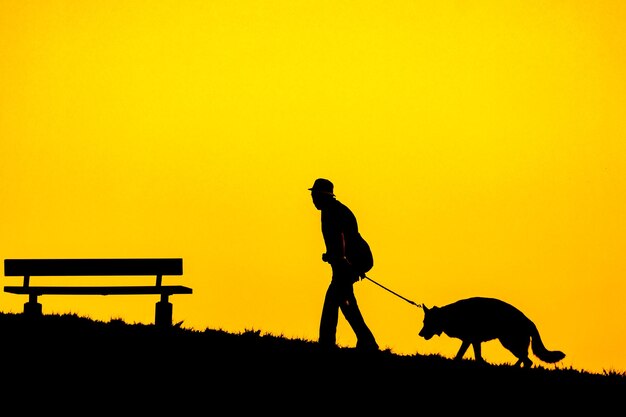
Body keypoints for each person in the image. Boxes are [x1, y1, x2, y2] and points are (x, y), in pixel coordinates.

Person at [308, 178, 379, 352]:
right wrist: (332, 256)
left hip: (354, 261)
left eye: (315, 195)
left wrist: (341, 259)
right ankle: (366, 341)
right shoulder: (331, 210)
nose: (313, 199)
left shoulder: (333, 212)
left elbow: (342, 237)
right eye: (312, 195)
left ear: (323, 196)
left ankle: (327, 343)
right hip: (350, 262)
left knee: (333, 299)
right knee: (345, 302)